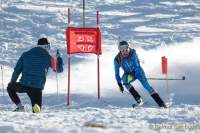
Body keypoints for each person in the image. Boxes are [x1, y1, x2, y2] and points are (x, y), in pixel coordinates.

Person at [7, 37, 64, 112]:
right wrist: (59, 58)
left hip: (24, 85)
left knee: (10, 88)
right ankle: (35, 119)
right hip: (37, 88)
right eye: (48, 46)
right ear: (46, 46)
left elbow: (17, 70)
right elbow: (59, 69)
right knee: (36, 111)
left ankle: (20, 107)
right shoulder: (48, 58)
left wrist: (12, 81)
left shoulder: (25, 54)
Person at [114, 41, 167, 108]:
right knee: (124, 80)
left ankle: (160, 103)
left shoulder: (133, 53)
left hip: (139, 72)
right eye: (122, 50)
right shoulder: (117, 59)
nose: (125, 52)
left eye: (126, 49)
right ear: (119, 50)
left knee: (146, 86)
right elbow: (116, 73)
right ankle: (138, 99)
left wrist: (135, 75)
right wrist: (119, 83)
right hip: (129, 74)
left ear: (128, 48)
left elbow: (136, 66)